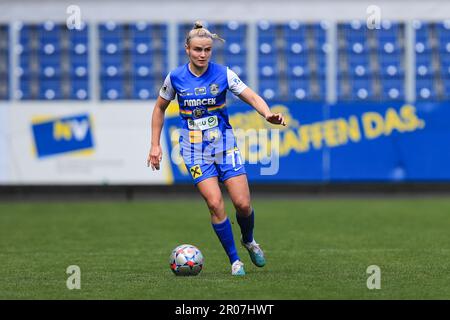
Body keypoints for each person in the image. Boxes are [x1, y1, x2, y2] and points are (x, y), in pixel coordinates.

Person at [147, 21, 286, 276]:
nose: (203, 55)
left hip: (225, 146)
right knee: (214, 203)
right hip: (194, 150)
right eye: (198, 49)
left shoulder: (224, 74)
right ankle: (235, 261)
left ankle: (249, 240)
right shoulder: (175, 77)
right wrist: (155, 145)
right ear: (187, 49)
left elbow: (252, 96)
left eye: (207, 50)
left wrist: (267, 114)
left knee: (243, 205)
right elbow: (159, 108)